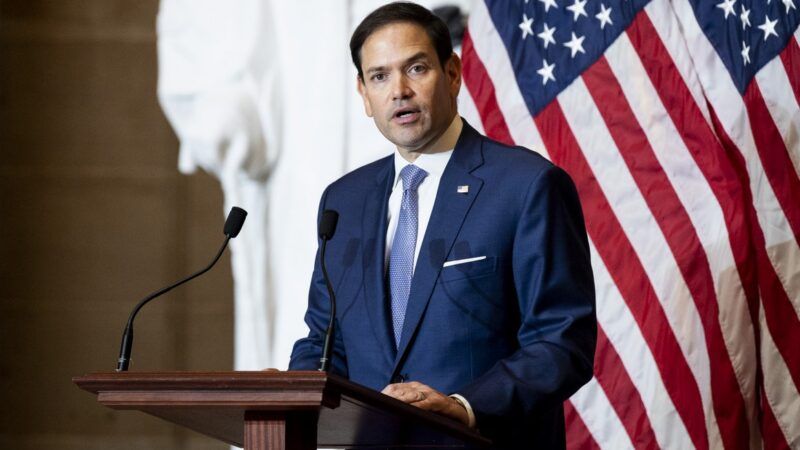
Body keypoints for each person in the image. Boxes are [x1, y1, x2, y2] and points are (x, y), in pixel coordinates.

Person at [289, 3, 596, 448]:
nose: (399, 91)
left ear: (452, 73)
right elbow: (324, 339)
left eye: (416, 68)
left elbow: (562, 341)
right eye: (379, 76)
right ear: (363, 92)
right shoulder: (344, 201)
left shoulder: (527, 186)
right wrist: (291, 391)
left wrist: (465, 406)